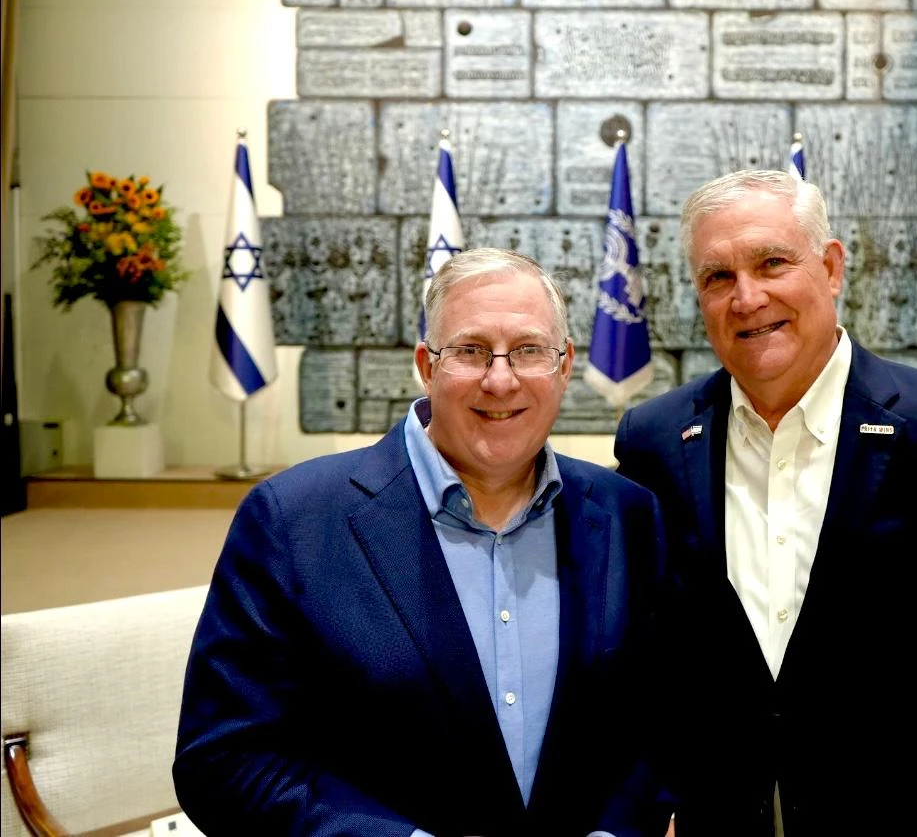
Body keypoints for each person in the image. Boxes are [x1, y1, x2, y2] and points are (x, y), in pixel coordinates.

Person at [613, 170, 917, 835]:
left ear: (832, 266)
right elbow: (647, 665)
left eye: (772, 263)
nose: (747, 297)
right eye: (718, 277)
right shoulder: (654, 443)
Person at [175, 247, 670, 837]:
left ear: (564, 368)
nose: (500, 378)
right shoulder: (293, 521)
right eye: (470, 350)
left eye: (530, 351)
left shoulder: (626, 516)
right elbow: (224, 761)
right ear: (426, 366)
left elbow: (657, 725)